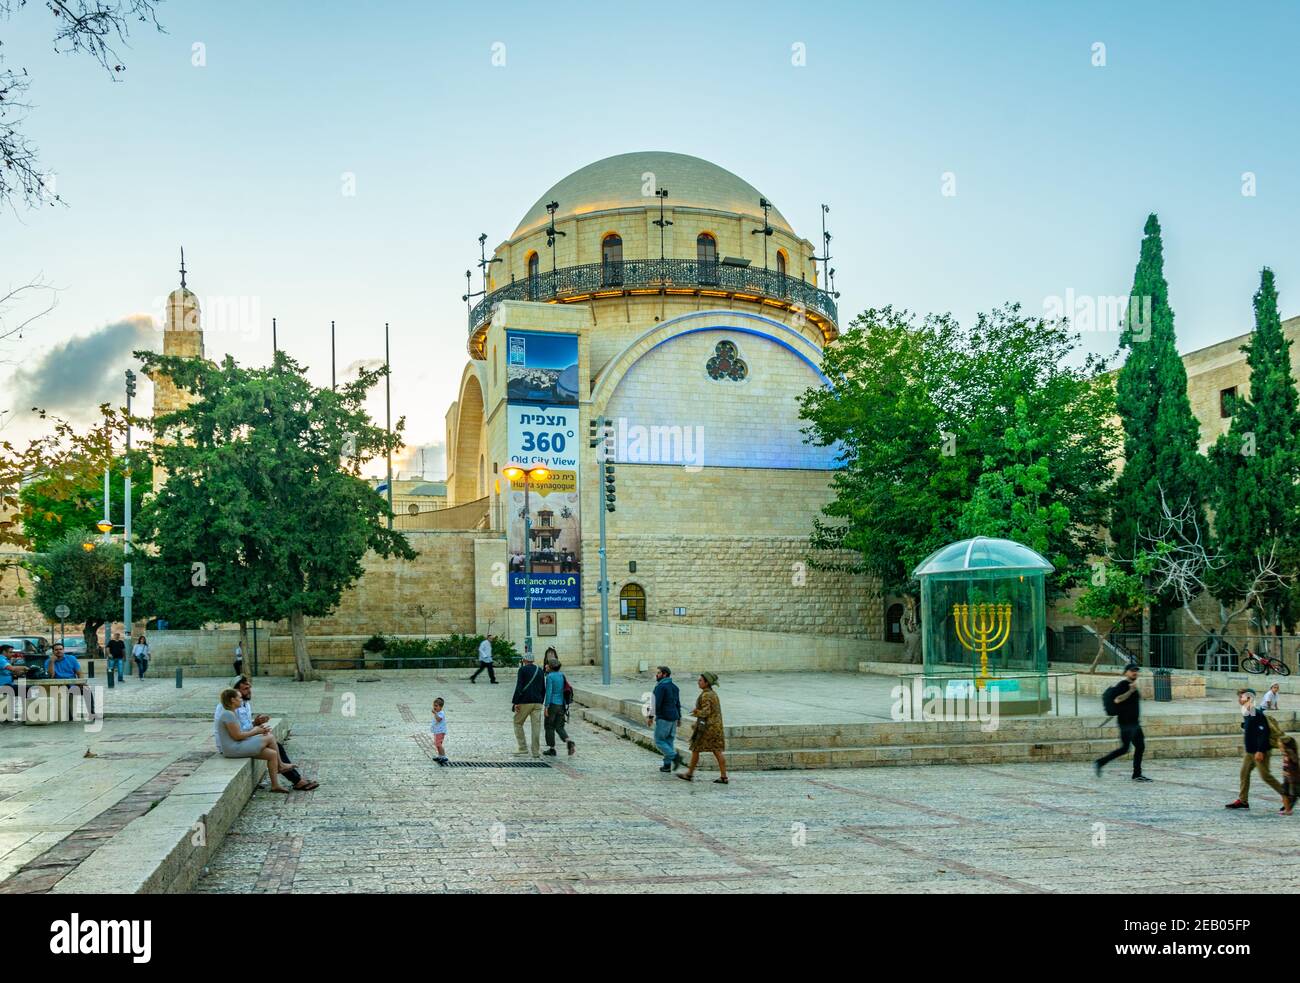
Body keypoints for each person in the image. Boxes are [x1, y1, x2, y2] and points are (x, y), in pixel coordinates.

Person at [228, 676, 318, 790]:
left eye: (249, 688)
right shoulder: (231, 708)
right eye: (245, 689)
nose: (249, 691)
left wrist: (256, 722)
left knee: (276, 747)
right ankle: (294, 778)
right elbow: (237, 732)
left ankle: (294, 780)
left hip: (242, 739)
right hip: (236, 743)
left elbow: (244, 726)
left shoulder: (245, 704)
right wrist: (256, 729)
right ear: (235, 692)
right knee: (274, 744)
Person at [214, 688, 289, 793]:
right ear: (232, 700)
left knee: (272, 754)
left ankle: (275, 785)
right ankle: (281, 765)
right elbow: (237, 736)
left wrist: (257, 727)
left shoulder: (232, 713)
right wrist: (256, 731)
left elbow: (241, 732)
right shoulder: (228, 714)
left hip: (237, 745)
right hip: (232, 748)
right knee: (270, 737)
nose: (241, 700)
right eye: (239, 698)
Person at [1227, 688, 1289, 810]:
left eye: (1242, 697)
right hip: (1250, 751)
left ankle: (1287, 795)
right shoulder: (1247, 711)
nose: (1239, 699)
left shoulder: (1256, 713)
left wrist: (1260, 751)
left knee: (1265, 776)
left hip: (1260, 751)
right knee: (1244, 773)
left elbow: (1263, 733)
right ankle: (1243, 800)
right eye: (1239, 697)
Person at [1093, 663, 1150, 782]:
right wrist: (1130, 691)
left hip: (1134, 723)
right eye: (1132, 670)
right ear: (1126, 672)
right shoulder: (1123, 685)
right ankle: (1101, 762)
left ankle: (1136, 774)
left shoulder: (1132, 685)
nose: (1135, 672)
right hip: (1126, 724)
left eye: (1136, 670)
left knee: (1137, 747)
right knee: (1127, 748)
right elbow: (1117, 700)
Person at [678, 672, 728, 784]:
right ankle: (724, 776)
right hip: (715, 728)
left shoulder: (706, 695)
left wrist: (696, 712)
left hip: (707, 729)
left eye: (700, 680)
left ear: (707, 683)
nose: (698, 682)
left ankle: (689, 774)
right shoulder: (712, 693)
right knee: (717, 751)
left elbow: (706, 712)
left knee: (695, 749)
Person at [646, 665, 682, 772]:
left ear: (664, 674)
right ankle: (667, 766)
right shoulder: (675, 687)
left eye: (658, 673)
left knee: (659, 741)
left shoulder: (660, 687)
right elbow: (677, 704)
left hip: (664, 718)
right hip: (673, 718)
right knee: (669, 741)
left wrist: (650, 717)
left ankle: (675, 757)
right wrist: (679, 717)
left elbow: (655, 703)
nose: (656, 675)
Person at [511, 651, 546, 758]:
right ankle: (535, 751)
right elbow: (543, 687)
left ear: (525, 660)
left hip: (525, 701)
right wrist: (541, 701)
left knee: (517, 722)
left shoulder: (522, 670)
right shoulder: (539, 670)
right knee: (536, 727)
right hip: (538, 702)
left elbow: (519, 686)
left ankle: (522, 747)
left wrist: (515, 702)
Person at [46, 642, 94, 718]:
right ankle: (69, 716)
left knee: (87, 690)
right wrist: (52, 662)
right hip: (58, 686)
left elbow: (79, 673)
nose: (59, 651)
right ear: (53, 652)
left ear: (63, 650)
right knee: (63, 692)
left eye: (60, 649)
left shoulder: (71, 658)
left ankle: (92, 713)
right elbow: (50, 676)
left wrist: (81, 682)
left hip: (72, 684)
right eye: (56, 650)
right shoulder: (49, 661)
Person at [542, 658, 575, 757]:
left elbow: (549, 692)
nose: (545, 666)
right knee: (559, 726)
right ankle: (568, 741)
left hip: (552, 704)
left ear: (551, 667)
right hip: (561, 705)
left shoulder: (550, 677)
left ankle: (552, 749)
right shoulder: (561, 675)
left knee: (549, 726)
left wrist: (546, 706)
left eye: (547, 665)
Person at [0, 643, 28, 724]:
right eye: (10, 652)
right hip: (3, 686)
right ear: (4, 652)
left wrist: (20, 673)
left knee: (24, 688)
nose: (12, 654)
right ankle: (27, 715)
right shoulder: (1, 659)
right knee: (28, 689)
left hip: (8, 685)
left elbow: (10, 672)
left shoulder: (5, 660)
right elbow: (12, 668)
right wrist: (24, 667)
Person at [1281, 735, 1299, 816]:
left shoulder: (1290, 753)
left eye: (1281, 746)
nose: (1279, 748)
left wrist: (1290, 753)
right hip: (1287, 777)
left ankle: (1288, 809)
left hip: (1293, 778)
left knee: (1295, 794)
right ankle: (1287, 809)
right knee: (1284, 793)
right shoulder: (1285, 754)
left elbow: (1295, 761)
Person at [431, 697, 449, 765]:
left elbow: (439, 719)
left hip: (440, 732)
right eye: (434, 705)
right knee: (437, 744)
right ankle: (440, 756)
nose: (434, 707)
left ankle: (444, 756)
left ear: (441, 707)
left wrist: (435, 713)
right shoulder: (438, 712)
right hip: (437, 731)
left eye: (436, 706)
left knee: (439, 744)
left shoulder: (441, 713)